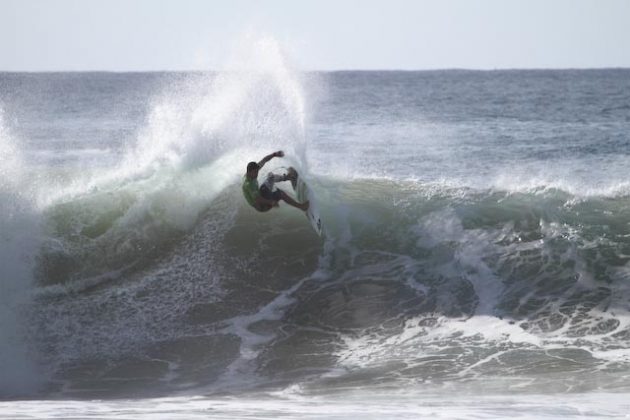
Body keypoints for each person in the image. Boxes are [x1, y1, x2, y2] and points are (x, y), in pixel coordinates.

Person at [242, 151, 309, 212]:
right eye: (255, 172)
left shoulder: (251, 172)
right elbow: (257, 199)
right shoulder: (248, 184)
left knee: (271, 176)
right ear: (249, 172)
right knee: (280, 193)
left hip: (261, 195)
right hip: (262, 206)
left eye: (257, 171)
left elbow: (264, 160)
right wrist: (271, 202)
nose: (256, 174)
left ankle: (288, 177)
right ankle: (302, 207)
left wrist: (274, 154)